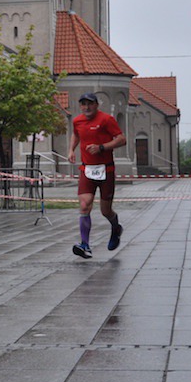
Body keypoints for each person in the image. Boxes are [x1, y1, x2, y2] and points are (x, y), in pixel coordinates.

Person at [67, 92, 126, 259]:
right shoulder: (77, 121)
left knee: (105, 211)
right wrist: (71, 150)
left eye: (90, 104)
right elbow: (76, 134)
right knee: (84, 205)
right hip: (87, 169)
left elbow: (122, 139)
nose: (86, 107)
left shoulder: (106, 119)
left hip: (106, 170)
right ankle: (85, 245)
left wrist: (101, 147)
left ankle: (116, 227)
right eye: (83, 104)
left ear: (96, 105)